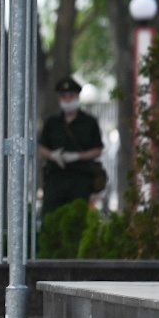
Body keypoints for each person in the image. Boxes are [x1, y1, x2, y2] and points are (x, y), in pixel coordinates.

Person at [37, 76, 105, 219]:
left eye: (71, 96)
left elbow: (98, 149)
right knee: (50, 218)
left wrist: (77, 156)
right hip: (55, 177)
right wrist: (52, 155)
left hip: (80, 178)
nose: (68, 100)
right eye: (64, 96)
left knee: (77, 220)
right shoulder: (52, 122)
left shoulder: (89, 122)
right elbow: (42, 147)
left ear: (77, 96)